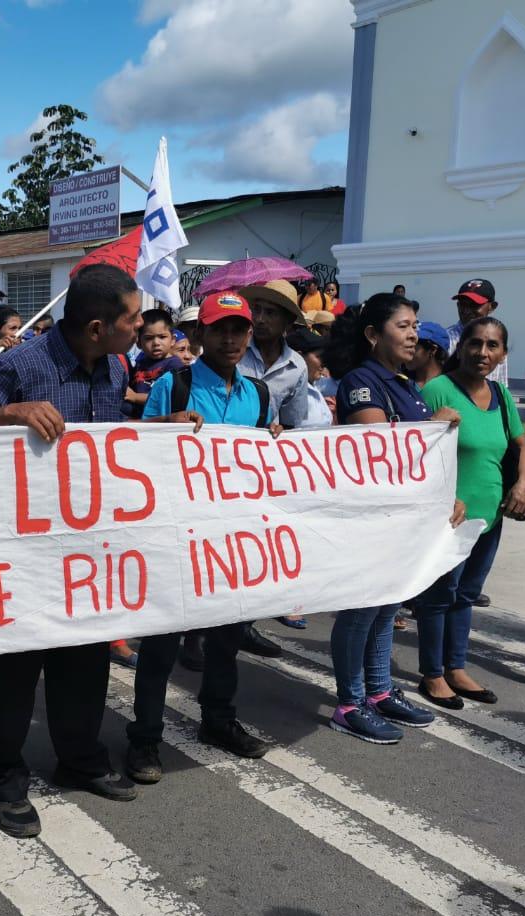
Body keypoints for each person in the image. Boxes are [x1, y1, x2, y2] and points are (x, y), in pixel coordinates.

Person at [0, 264, 199, 838]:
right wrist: (10, 413)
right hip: (22, 546)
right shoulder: (21, 366)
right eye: (132, 319)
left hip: (88, 548)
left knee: (85, 658)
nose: (141, 327)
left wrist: (164, 428)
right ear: (97, 327)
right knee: (16, 665)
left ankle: (80, 758)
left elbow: (109, 439)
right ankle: (4, 779)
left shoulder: (115, 367)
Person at [125, 291, 278, 784]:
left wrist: (274, 439)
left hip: (232, 539)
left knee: (227, 639)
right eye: (219, 329)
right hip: (177, 536)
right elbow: (137, 451)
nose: (230, 339)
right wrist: (164, 424)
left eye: (239, 329)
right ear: (199, 335)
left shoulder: (259, 394)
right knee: (161, 645)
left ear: (249, 334)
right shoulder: (175, 385)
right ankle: (145, 739)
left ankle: (218, 720)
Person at [324, 292, 465, 744]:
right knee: (361, 610)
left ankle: (380, 690)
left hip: (402, 521)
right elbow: (378, 448)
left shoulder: (405, 383)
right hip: (370, 519)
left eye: (415, 326)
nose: (413, 335)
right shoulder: (361, 382)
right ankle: (350, 704)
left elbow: (426, 463)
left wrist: (446, 497)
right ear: (373, 334)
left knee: (388, 606)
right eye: (403, 326)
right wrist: (434, 426)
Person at [414, 318, 525, 709]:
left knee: (465, 596)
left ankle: (456, 667)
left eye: (493, 345)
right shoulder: (438, 390)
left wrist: (522, 483)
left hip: (490, 518)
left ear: (503, 353)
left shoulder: (501, 394)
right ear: (461, 346)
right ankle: (432, 674)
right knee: (438, 597)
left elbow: (521, 445)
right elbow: (414, 450)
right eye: (475, 343)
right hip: (449, 519)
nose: (483, 352)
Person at [236, 279, 309, 428]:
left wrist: (280, 429)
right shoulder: (234, 350)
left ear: (289, 321)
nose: (260, 319)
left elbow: (291, 424)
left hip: (267, 441)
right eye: (257, 310)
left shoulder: (297, 367)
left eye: (270, 312)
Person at [446, 279, 508, 387]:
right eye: (463, 305)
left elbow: (501, 385)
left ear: (492, 307)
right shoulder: (446, 338)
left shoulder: (498, 341)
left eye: (474, 305)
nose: (467, 311)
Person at [123, 308, 183, 418]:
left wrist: (135, 397)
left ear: (173, 340)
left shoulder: (175, 366)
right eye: (149, 338)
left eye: (162, 337)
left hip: (160, 422)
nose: (156, 343)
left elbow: (167, 398)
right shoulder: (139, 364)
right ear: (139, 343)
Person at [407, 321, 451, 388]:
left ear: (433, 350)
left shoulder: (451, 384)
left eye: (413, 347)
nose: (407, 352)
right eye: (406, 346)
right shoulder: (400, 381)